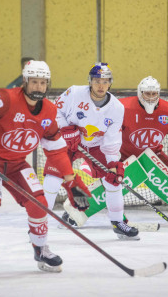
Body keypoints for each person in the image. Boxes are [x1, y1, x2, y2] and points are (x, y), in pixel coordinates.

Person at [0, 60, 91, 281]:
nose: (38, 87)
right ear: (25, 81)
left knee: (39, 203)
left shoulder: (50, 111)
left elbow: (56, 149)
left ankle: (40, 251)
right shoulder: (5, 98)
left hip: (16, 164)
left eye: (43, 82)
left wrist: (70, 180)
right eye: (34, 82)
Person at [61, 76, 168, 227]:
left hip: (153, 155)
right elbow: (103, 123)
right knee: (111, 182)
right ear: (140, 93)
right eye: (147, 94)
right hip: (124, 155)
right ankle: (75, 210)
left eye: (154, 94)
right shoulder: (123, 107)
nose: (150, 98)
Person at [42, 62, 139, 240]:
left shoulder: (117, 108)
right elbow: (54, 111)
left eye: (105, 81)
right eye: (96, 81)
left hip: (96, 145)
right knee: (53, 179)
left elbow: (111, 139)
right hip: (67, 142)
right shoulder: (74, 93)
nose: (101, 85)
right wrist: (64, 129)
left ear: (110, 83)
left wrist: (112, 163)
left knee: (113, 180)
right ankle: (40, 223)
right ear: (90, 81)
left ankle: (118, 223)